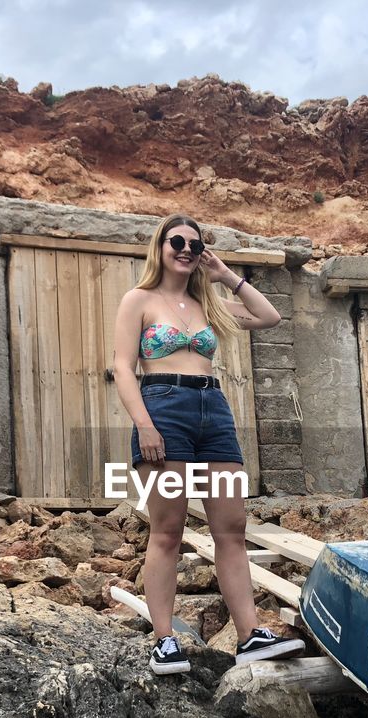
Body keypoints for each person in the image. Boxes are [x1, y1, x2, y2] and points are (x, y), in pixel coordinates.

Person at [112, 214, 305, 675]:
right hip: (162, 407)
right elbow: (122, 366)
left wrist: (225, 276)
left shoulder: (209, 303)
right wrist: (144, 424)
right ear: (160, 247)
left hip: (212, 410)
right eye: (176, 241)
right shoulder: (138, 299)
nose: (185, 249)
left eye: (194, 245)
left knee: (231, 528)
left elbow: (269, 316)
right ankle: (164, 641)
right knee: (168, 530)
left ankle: (250, 637)